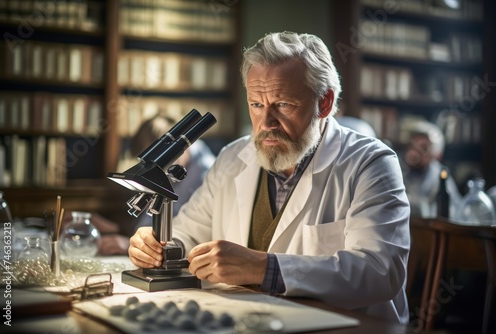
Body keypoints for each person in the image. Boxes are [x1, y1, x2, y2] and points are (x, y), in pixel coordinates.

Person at [129, 32, 410, 324]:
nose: (266, 123)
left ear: (324, 103)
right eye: (257, 105)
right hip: (253, 321)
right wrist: (157, 246)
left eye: (284, 105)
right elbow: (188, 232)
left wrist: (264, 268)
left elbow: (379, 271)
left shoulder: (372, 163)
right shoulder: (232, 157)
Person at [97, 115, 216, 255]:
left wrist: (127, 244)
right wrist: (115, 229)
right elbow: (148, 221)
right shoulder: (177, 166)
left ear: (173, 152)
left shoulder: (207, 173)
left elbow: (187, 231)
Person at [400, 119, 461, 218]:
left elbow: (456, 212)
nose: (415, 151)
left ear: (436, 154)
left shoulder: (441, 175)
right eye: (412, 145)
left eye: (423, 148)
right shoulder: (397, 169)